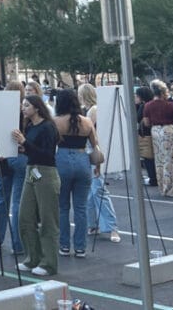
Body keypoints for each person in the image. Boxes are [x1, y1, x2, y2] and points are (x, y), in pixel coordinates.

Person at [14, 94, 60, 276]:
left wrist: (25, 143)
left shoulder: (48, 127)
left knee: (48, 219)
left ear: (37, 108)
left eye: (26, 105)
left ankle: (49, 263)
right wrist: (24, 148)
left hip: (45, 172)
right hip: (32, 170)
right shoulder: (31, 126)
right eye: (23, 105)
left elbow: (48, 155)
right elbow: (35, 151)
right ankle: (33, 257)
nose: (23, 108)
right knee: (25, 216)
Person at [53, 88, 96, 258]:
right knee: (81, 207)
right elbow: (95, 144)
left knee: (62, 207)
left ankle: (64, 245)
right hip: (82, 159)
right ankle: (80, 247)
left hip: (61, 160)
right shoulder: (86, 121)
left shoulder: (55, 121)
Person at [77, 84, 121, 244]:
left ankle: (111, 226)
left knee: (98, 190)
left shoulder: (92, 110)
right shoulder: (89, 110)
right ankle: (94, 224)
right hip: (88, 153)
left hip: (92, 152)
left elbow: (91, 134)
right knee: (90, 191)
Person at [0, 80, 26, 256]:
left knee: (0, 200)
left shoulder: (0, 111)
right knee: (18, 202)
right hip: (20, 157)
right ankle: (18, 244)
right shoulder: (26, 112)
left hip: (2, 157)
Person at [144, 80, 173, 197]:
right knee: (172, 158)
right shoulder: (171, 105)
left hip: (156, 131)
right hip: (169, 130)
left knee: (160, 160)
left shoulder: (148, 106)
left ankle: (163, 187)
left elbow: (146, 123)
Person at [134, 86, 158, 186]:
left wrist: (136, 105)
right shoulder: (153, 104)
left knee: (148, 157)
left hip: (146, 135)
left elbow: (137, 117)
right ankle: (155, 177)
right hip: (153, 133)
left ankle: (152, 178)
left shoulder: (144, 106)